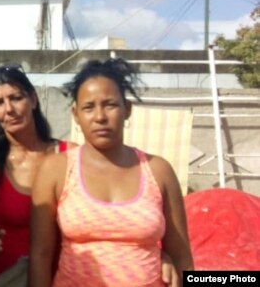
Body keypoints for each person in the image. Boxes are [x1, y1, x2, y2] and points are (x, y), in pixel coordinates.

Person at [29, 58, 193, 287]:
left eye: (110, 105)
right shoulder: (56, 170)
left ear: (127, 109)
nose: (100, 117)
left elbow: (182, 257)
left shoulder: (159, 171)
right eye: (89, 107)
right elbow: (40, 255)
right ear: (76, 115)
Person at [0, 64, 72, 286]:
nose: (9, 109)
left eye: (16, 98)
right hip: (7, 278)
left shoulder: (72, 157)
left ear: (33, 99)